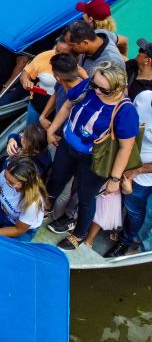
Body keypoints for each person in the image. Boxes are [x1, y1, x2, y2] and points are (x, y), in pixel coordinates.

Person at [46, 61, 140, 251]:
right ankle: (46, 207)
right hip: (67, 146)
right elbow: (67, 106)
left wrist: (114, 179)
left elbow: (125, 148)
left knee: (86, 197)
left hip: (94, 159)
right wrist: (51, 130)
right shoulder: (88, 85)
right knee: (55, 180)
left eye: (103, 89)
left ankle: (79, 234)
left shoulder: (126, 111)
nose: (96, 90)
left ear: (118, 87)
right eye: (94, 84)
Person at [107, 90, 152, 257]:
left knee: (134, 209)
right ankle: (111, 226)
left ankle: (125, 241)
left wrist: (137, 171)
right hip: (123, 162)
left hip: (144, 176)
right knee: (112, 197)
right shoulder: (144, 97)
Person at [20, 36, 86, 125]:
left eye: (63, 54)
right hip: (37, 106)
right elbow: (25, 73)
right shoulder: (45, 56)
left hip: (61, 112)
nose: (56, 55)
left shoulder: (79, 69)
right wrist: (25, 80)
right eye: (57, 50)